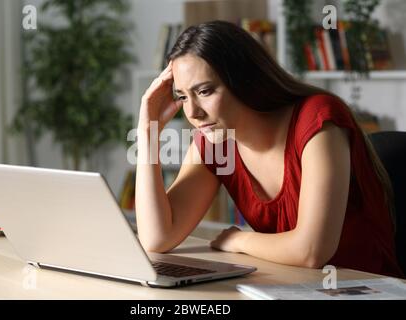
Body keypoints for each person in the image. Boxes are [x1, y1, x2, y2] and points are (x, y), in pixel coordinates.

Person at [135, 20, 404, 278]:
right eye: (182, 96)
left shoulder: (317, 120)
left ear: (243, 79)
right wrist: (148, 131)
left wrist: (239, 239)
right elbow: (158, 238)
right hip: (289, 287)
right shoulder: (215, 143)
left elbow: (311, 251)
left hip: (363, 288)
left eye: (205, 91)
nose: (193, 112)